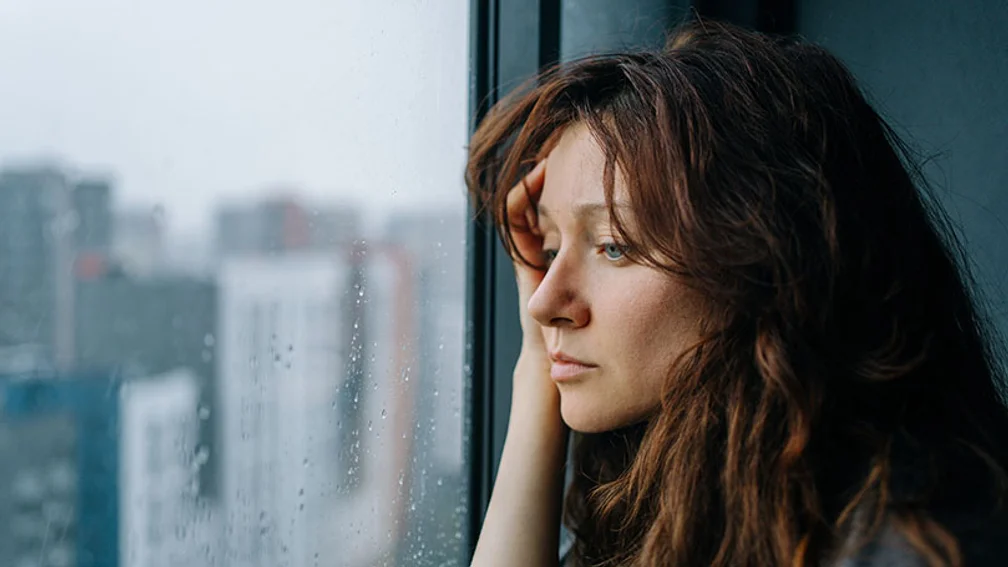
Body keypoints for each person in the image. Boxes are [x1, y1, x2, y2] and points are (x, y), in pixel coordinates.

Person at [464, 19, 1008, 567]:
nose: (542, 303)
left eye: (614, 245)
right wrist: (537, 366)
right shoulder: (670, 498)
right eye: (552, 250)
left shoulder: (903, 546)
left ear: (765, 262)